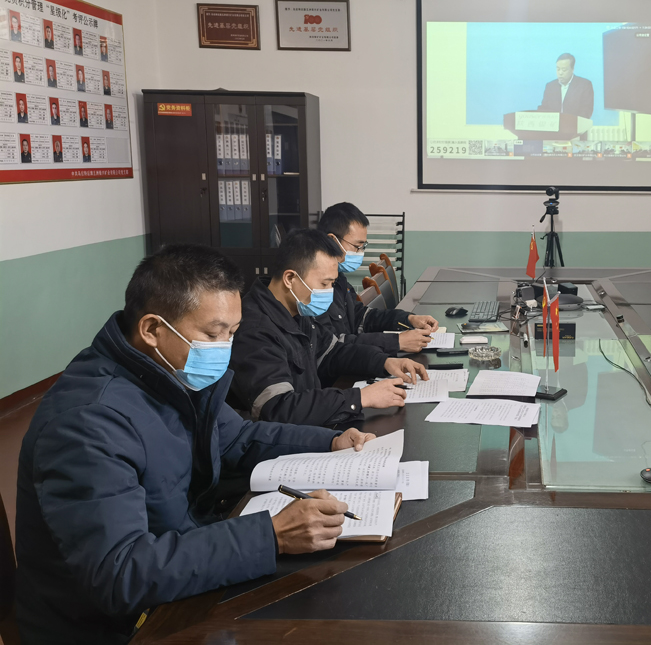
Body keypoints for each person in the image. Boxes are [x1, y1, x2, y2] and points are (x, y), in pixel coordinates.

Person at [16, 245, 375, 644]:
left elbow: (238, 437)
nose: (224, 347)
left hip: (177, 576)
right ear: (152, 330)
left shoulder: (174, 372)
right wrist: (271, 535)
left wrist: (331, 441)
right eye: (212, 334)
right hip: (112, 629)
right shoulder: (88, 422)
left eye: (232, 333)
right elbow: (120, 572)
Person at [229, 229, 427, 428]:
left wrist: (384, 362)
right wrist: (359, 398)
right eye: (324, 284)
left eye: (332, 283)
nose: (329, 293)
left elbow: (332, 352)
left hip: (314, 426)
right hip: (287, 439)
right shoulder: (255, 330)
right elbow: (279, 408)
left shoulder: (297, 309)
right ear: (290, 279)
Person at [317, 202, 439, 355]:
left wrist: (408, 319)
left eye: (363, 246)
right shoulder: (314, 290)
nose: (360, 252)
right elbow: (333, 346)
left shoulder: (339, 280)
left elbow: (361, 317)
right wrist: (396, 342)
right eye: (357, 246)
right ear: (332, 241)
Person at [537, 53, 594, 119]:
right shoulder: (550, 86)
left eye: (564, 70)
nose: (560, 73)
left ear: (572, 69)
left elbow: (586, 111)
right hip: (554, 124)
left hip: (574, 124)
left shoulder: (584, 85)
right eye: (558, 69)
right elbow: (544, 108)